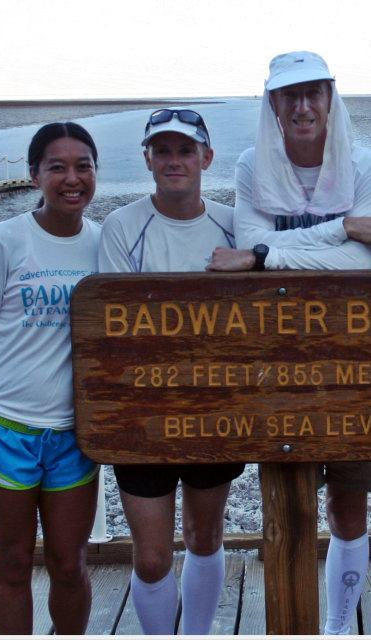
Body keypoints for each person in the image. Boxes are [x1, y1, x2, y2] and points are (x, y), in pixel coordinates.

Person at [207, 51, 371, 635]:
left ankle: (340, 626)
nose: (302, 106)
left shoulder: (367, 166)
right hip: (274, 363)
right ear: (271, 103)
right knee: (286, 503)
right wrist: (342, 226)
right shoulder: (251, 165)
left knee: (349, 507)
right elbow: (252, 249)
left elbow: (356, 266)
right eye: (288, 95)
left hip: (352, 359)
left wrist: (269, 252)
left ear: (330, 97)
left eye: (313, 93)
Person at [0, 122, 102, 634]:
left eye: (83, 165)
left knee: (70, 563)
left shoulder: (105, 245)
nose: (71, 178)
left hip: (74, 436)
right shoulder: (5, 240)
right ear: (34, 174)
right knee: (13, 563)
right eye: (56, 167)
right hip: (5, 429)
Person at [98, 108, 242, 635]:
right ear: (148, 160)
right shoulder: (122, 226)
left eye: (185, 150)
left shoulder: (234, 222)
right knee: (153, 556)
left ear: (206, 157)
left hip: (217, 409)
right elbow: (116, 329)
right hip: (143, 414)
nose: (174, 160)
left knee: (205, 536)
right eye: (163, 151)